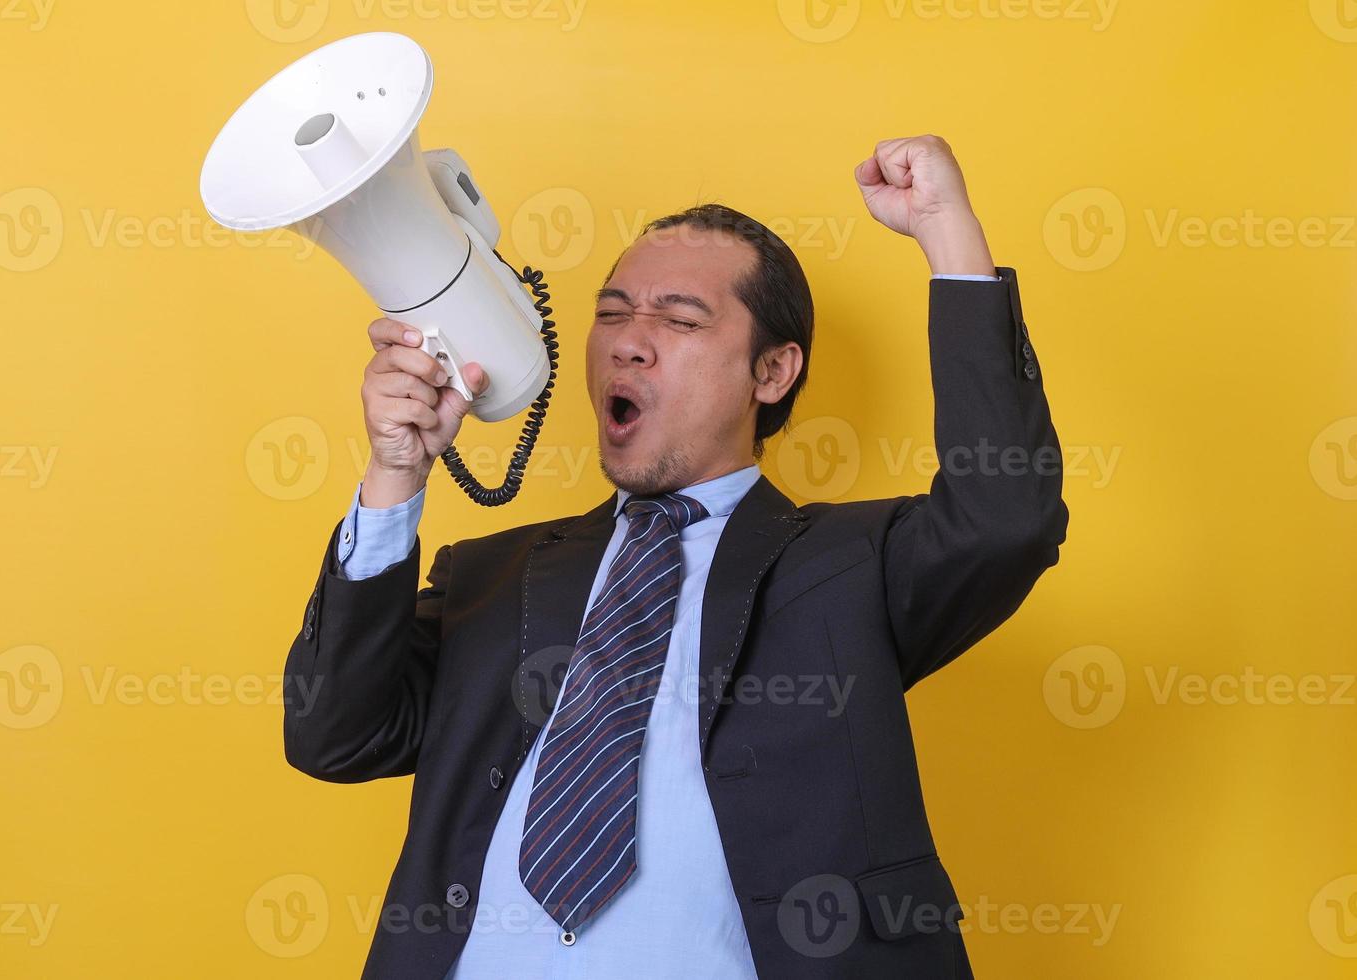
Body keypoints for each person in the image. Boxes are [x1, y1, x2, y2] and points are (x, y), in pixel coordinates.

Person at [282, 134, 1069, 979]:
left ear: (772, 371)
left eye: (681, 319)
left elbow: (1005, 518)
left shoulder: (850, 567)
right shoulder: (491, 578)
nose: (628, 341)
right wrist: (395, 476)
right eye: (612, 313)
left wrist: (949, 232)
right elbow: (335, 735)